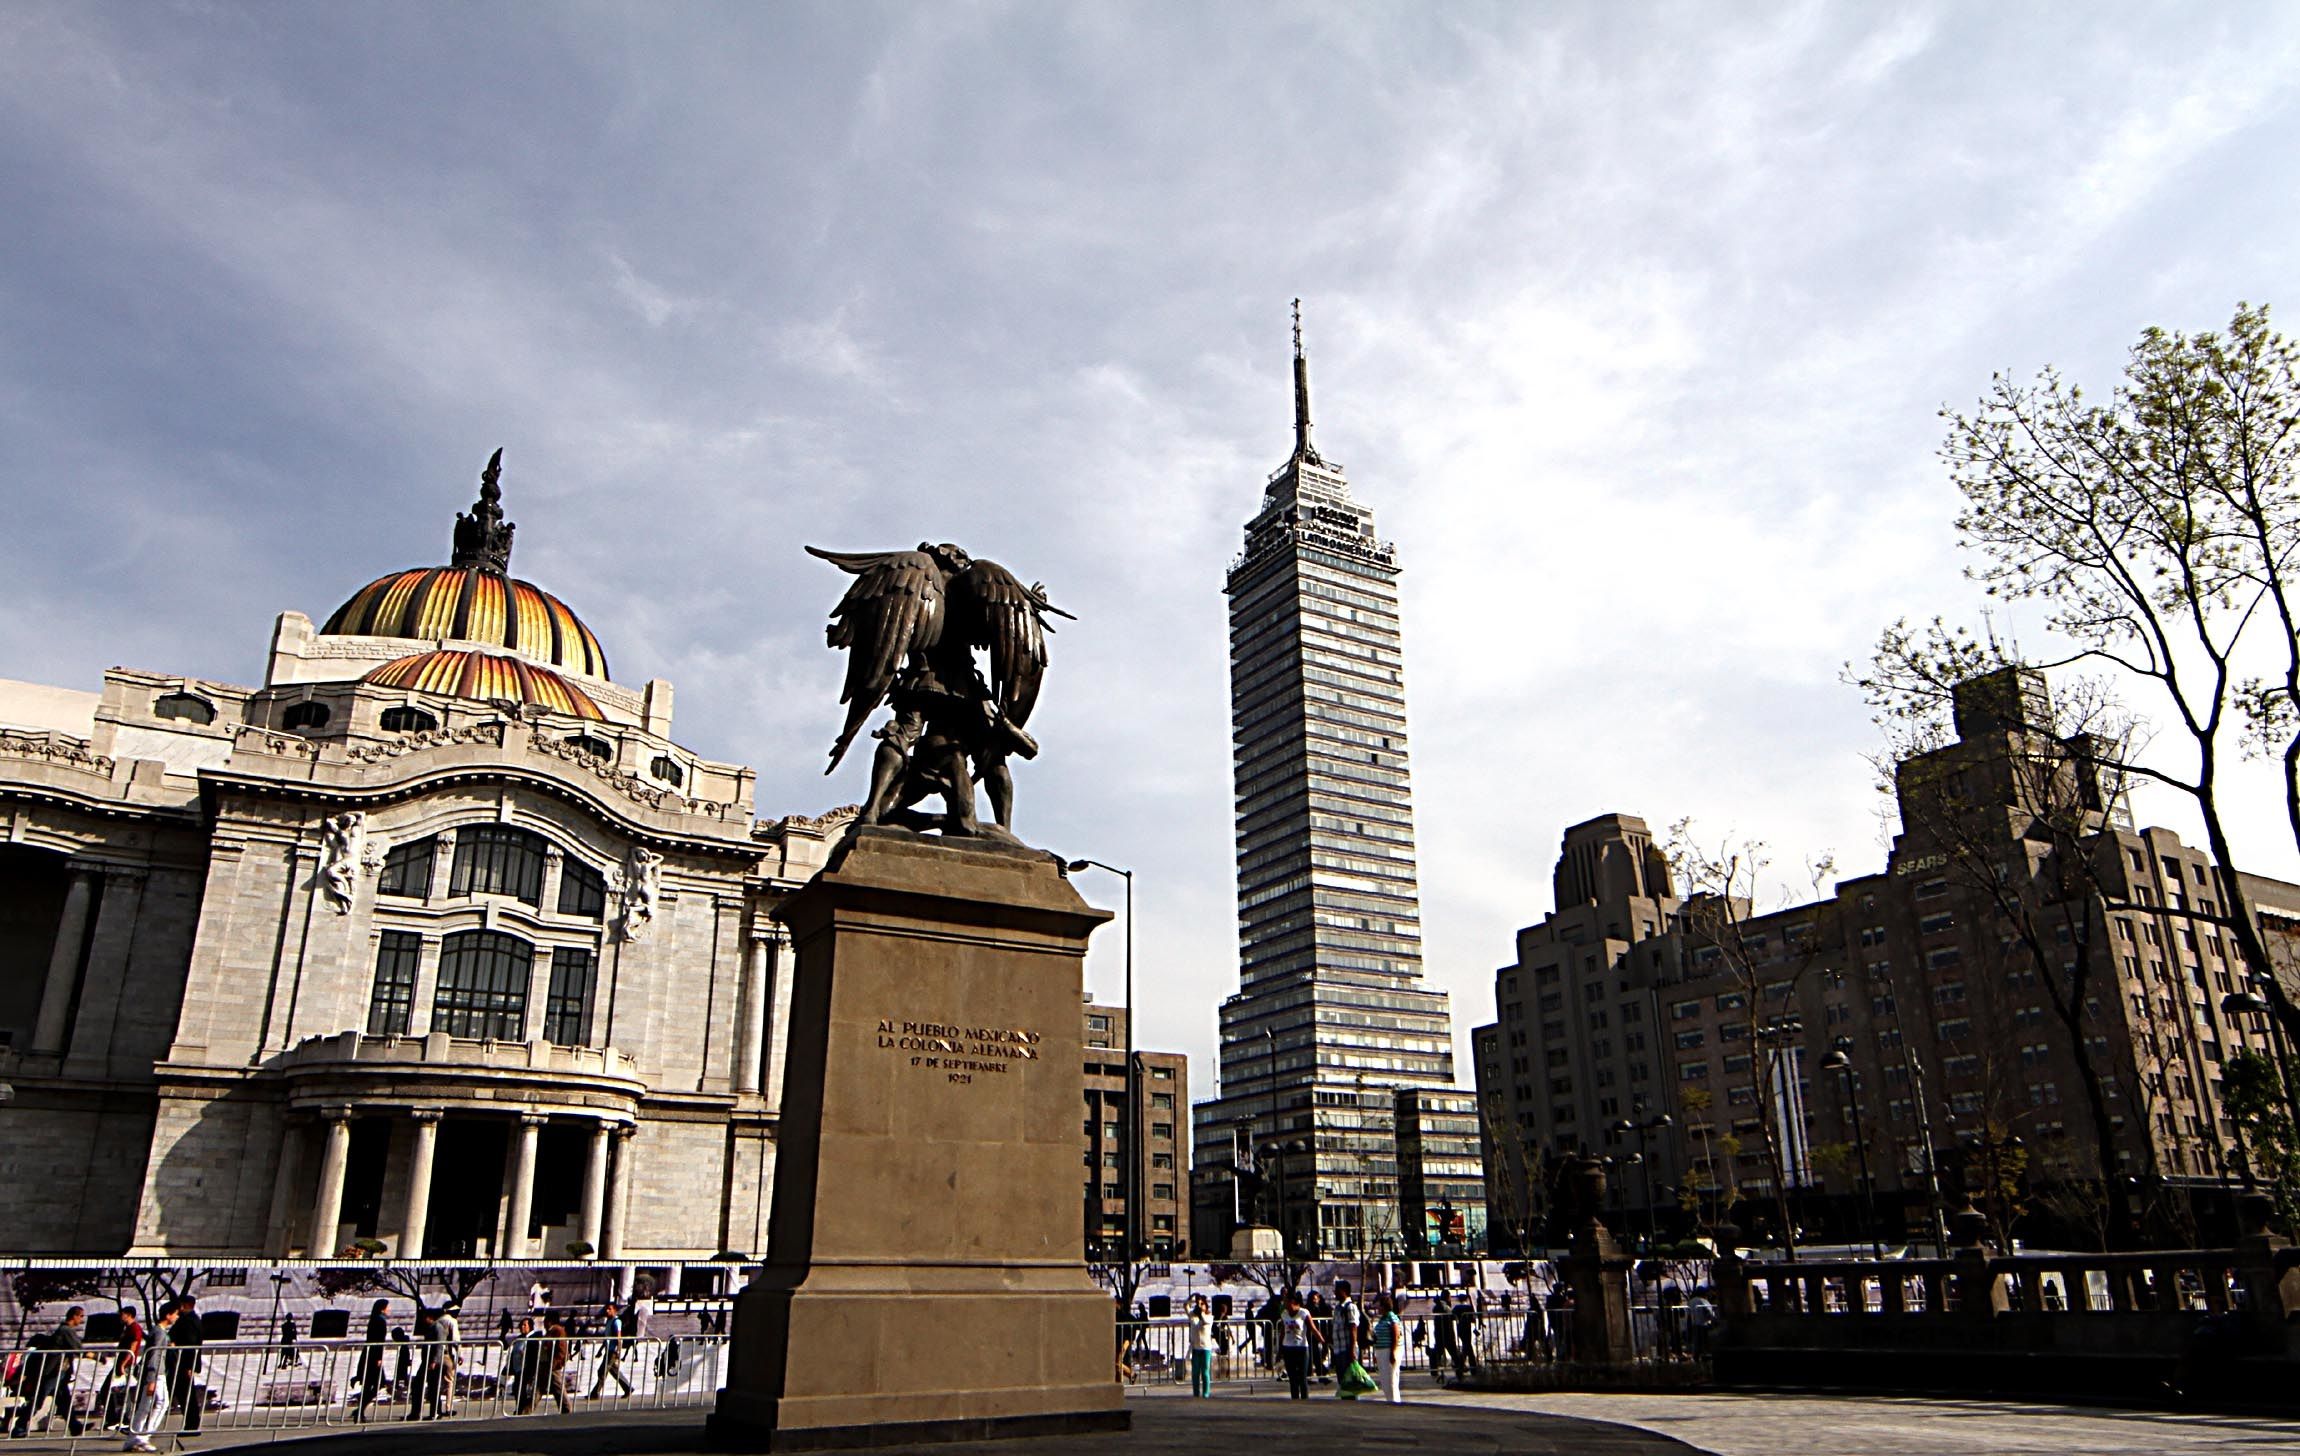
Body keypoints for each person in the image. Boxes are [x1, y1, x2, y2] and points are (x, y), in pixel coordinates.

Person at [9, 1304, 85, 1438]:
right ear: (74, 1316)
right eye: (81, 1316)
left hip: (59, 1372)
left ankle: (75, 1426)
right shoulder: (66, 1330)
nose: (82, 1319)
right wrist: (98, 1357)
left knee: (64, 1401)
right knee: (39, 1399)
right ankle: (19, 1426)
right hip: (52, 1373)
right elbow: (79, 1349)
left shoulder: (64, 1330)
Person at [122, 1300, 177, 1452]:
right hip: (156, 1373)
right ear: (168, 1315)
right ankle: (143, 1437)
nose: (177, 1317)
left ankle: (132, 1439)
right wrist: (152, 1378)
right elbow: (154, 1354)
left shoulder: (157, 1331)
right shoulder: (159, 1332)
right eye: (175, 1314)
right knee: (161, 1404)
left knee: (145, 1406)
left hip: (153, 1373)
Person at [166, 1295, 205, 1435]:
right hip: (181, 1362)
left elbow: (191, 1344)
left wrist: (189, 1366)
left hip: (183, 1363)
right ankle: (191, 1425)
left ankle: (192, 1425)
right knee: (184, 1394)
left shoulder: (189, 1321)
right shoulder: (189, 1319)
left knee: (186, 1395)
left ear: (184, 1305)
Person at [1276, 1291, 1320, 1400]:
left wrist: (1322, 1341)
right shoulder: (1284, 1314)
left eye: (1286, 1301)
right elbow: (1282, 1332)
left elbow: (1313, 1329)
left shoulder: (1304, 1313)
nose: (1284, 1303)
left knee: (1302, 1378)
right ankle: (1295, 1400)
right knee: (1293, 1379)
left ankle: (1305, 1400)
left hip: (1302, 1348)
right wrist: (1280, 1350)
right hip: (1288, 1348)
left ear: (1292, 1301)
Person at [1367, 1294, 1405, 1404]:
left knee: (1391, 1379)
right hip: (1382, 1350)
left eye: (1379, 1306)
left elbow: (1396, 1334)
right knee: (1385, 1379)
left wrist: (1392, 1352)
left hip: (1388, 1350)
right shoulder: (1382, 1319)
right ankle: (1390, 1400)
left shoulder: (1391, 1317)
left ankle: (1394, 1401)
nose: (1377, 1308)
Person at [355, 1300, 389, 1422]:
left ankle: (360, 1410)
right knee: (377, 1383)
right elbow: (379, 1340)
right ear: (382, 1309)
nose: (388, 1310)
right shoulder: (380, 1321)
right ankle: (360, 1410)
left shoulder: (374, 1319)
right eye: (387, 1307)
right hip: (374, 1356)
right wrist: (379, 1357)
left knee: (370, 1384)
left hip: (369, 1354)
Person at [590, 1301, 632, 1397]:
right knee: (614, 1371)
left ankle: (595, 1393)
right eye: (606, 1309)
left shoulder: (616, 1322)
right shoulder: (609, 1321)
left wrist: (618, 1350)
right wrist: (601, 1350)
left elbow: (618, 1337)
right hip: (608, 1349)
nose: (607, 1311)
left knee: (602, 1371)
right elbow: (607, 1337)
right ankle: (628, 1388)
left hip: (613, 1351)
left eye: (609, 1309)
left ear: (615, 1310)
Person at [1327, 1281, 1361, 1396]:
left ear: (1344, 1291)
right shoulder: (1337, 1308)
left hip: (1347, 1350)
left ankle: (1353, 1402)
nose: (1335, 1292)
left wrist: (1352, 1350)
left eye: (1337, 1290)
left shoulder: (1350, 1307)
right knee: (1342, 1382)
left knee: (1350, 1382)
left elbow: (1353, 1329)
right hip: (1338, 1349)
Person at [1184, 1295, 1216, 1398]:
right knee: (1195, 1372)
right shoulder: (1193, 1316)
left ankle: (1206, 1393)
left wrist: (1201, 1312)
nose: (1199, 1306)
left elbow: (1205, 1321)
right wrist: (1190, 1299)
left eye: (1202, 1304)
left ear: (1206, 1305)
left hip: (1206, 1348)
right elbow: (1185, 1306)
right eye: (1197, 1304)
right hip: (1196, 1348)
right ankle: (1196, 1392)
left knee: (1205, 1371)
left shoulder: (1209, 1316)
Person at [543, 1318, 574, 1414]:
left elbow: (562, 1349)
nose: (544, 1323)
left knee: (558, 1388)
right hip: (547, 1364)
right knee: (544, 1389)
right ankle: (524, 1410)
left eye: (545, 1321)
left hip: (553, 1365)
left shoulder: (558, 1331)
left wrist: (556, 1364)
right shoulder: (550, 1331)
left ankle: (567, 1410)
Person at [1449, 1293, 1478, 1378]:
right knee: (1467, 1346)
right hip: (1467, 1328)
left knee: (1467, 1346)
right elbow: (1473, 1318)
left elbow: (1452, 1316)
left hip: (1460, 1328)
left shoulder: (1456, 1308)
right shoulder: (1469, 1307)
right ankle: (1467, 1366)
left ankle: (1466, 1366)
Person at [1429, 1295, 1458, 1382]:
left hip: (1440, 1333)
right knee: (1453, 1352)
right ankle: (1459, 1369)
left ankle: (1434, 1370)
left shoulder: (1437, 1307)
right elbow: (1452, 1317)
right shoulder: (1446, 1307)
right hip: (1447, 1333)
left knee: (1438, 1352)